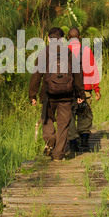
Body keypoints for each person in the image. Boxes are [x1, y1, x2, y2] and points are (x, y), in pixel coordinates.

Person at [29, 27, 86, 162]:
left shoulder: (44, 53)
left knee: (47, 118)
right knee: (64, 123)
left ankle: (50, 139)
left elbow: (36, 75)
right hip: (66, 93)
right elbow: (77, 74)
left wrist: (32, 94)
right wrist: (80, 93)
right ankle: (58, 153)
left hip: (48, 92)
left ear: (48, 39)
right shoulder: (69, 52)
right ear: (62, 40)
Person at [67, 27, 101, 150]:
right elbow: (94, 70)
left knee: (69, 114)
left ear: (68, 38)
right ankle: (84, 137)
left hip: (69, 90)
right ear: (80, 37)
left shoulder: (65, 50)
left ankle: (73, 141)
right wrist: (96, 89)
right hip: (85, 89)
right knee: (85, 113)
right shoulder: (86, 50)